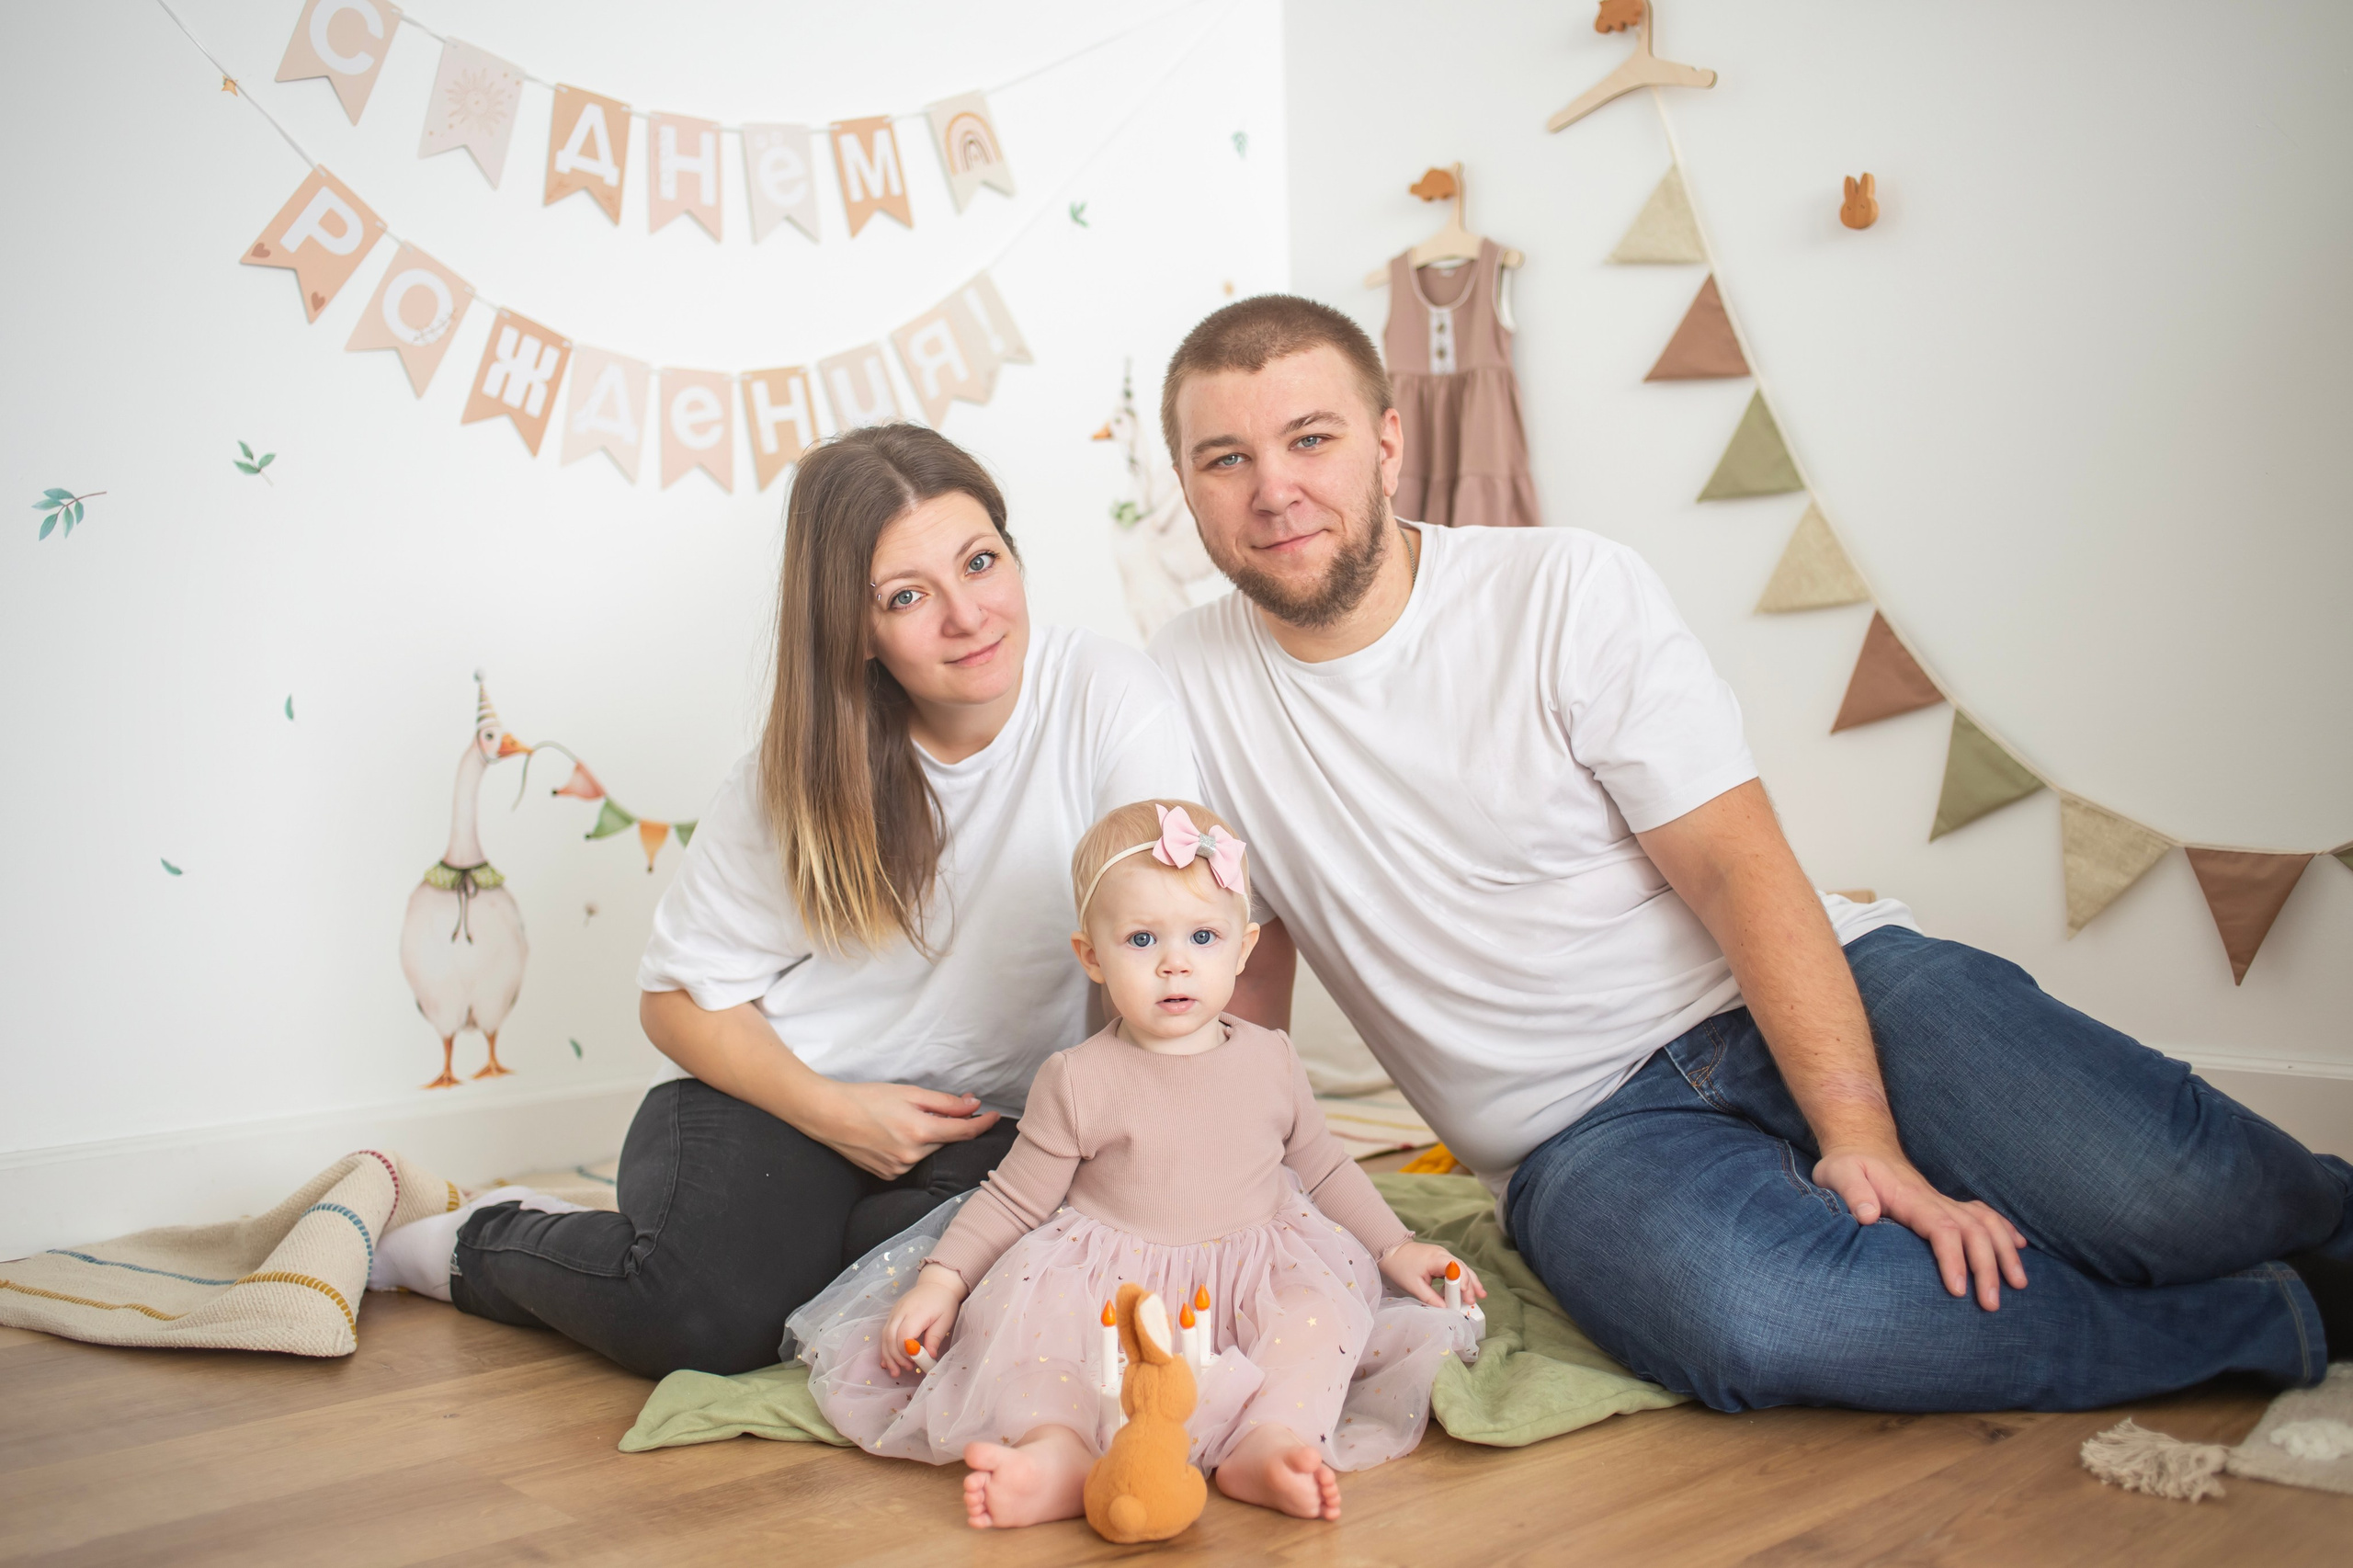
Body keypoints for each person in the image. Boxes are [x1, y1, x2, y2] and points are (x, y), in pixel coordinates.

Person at [1144, 293, 2353, 1414]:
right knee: (1760, 1316)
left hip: (1825, 984)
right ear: (1188, 489)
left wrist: (1859, 1135)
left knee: (2168, 1192)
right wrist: (1232, 1203)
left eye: (1311, 439)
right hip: (1581, 1134)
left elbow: (1736, 862)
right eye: (1227, 458)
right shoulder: (1180, 694)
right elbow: (1236, 968)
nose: (1275, 490)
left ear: (1389, 443)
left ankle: (2319, 1223)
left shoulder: (1564, 589)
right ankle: (2266, 1320)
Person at [369, 425, 1204, 1378]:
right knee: (698, 1317)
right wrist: (837, 1112)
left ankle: (796, 1255)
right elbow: (676, 999)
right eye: (906, 595)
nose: (968, 615)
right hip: (773, 1102)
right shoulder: (798, 773)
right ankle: (481, 1238)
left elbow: (1167, 935)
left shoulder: (1109, 697)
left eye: (981, 561)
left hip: (994, 1127)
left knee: (985, 1284)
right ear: (856, 626)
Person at [792, 800, 1483, 1528]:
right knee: (1039, 1333)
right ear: (1092, 955)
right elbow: (1013, 1199)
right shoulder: (1078, 1077)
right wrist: (942, 1279)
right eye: (1142, 938)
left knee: (1316, 1322)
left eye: (1204, 936)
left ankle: (1271, 1441)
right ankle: (1054, 1450)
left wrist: (1395, 1246)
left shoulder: (1270, 1059)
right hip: (1112, 1285)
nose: (1175, 962)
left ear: (1243, 948)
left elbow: (1327, 1164)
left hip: (1259, 1270)